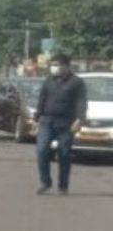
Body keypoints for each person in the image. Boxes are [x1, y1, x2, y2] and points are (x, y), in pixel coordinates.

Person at [34, 53, 87, 195]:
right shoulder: (48, 81)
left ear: (67, 66)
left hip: (66, 123)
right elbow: (41, 99)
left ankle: (63, 185)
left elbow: (82, 102)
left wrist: (79, 120)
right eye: (52, 65)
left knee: (64, 154)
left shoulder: (76, 82)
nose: (54, 68)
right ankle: (45, 182)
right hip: (46, 121)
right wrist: (36, 118)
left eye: (57, 65)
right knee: (41, 150)